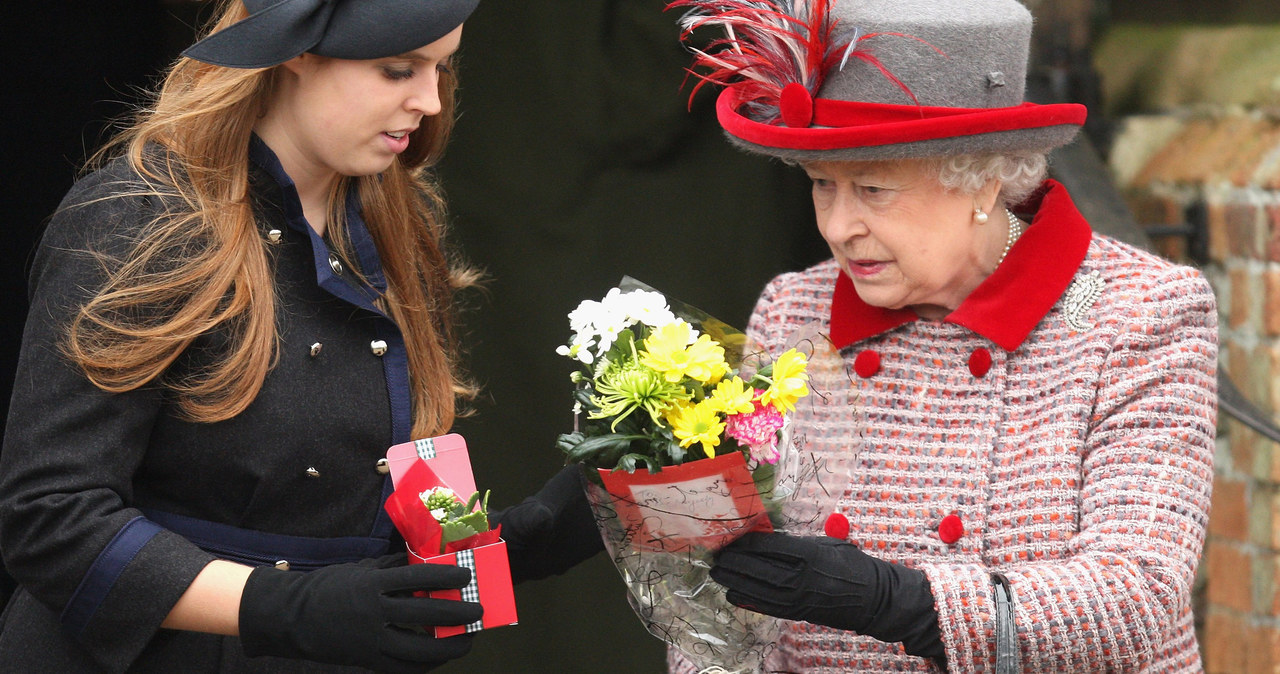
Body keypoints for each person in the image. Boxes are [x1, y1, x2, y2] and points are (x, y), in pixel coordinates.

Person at [0, 1, 600, 672]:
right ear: (295, 52)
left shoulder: (396, 222)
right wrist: (285, 606)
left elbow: (369, 537)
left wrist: (534, 538)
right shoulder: (138, 218)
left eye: (442, 69)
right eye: (398, 69)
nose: (430, 101)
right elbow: (50, 518)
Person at [663, 0, 1218, 672]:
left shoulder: (1136, 312)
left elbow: (1137, 596)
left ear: (981, 179)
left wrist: (898, 603)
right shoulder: (794, 309)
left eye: (871, 188)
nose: (839, 227)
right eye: (821, 186)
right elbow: (718, 601)